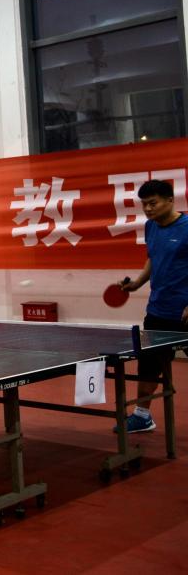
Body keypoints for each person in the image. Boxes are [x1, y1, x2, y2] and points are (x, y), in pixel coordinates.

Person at [118, 179, 188, 433]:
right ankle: (142, 416)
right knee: (148, 365)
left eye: (153, 203)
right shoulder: (151, 227)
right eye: (144, 204)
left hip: (185, 313)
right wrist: (137, 283)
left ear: (170, 200)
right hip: (158, 310)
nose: (147, 209)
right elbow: (153, 258)